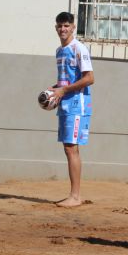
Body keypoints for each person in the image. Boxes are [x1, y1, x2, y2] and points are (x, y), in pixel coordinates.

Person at [49, 11, 95, 208]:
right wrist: (53, 91)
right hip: (65, 104)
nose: (63, 29)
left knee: (71, 148)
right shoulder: (59, 51)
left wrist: (64, 90)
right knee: (68, 148)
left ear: (73, 27)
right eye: (60, 25)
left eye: (66, 25)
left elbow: (89, 78)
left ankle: (75, 196)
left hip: (78, 105)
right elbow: (65, 80)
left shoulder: (79, 49)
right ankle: (74, 194)